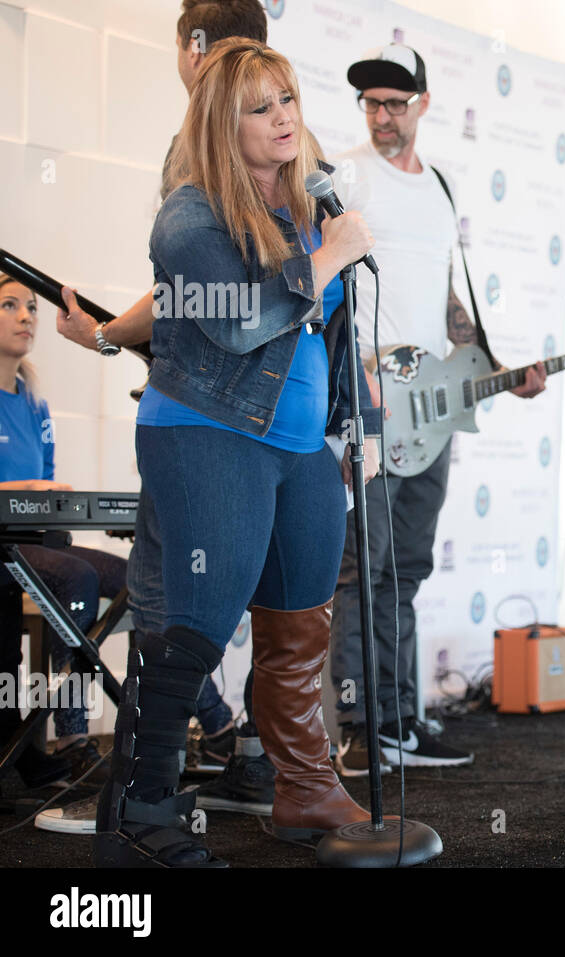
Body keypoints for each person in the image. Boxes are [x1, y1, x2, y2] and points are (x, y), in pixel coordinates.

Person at [94, 38, 383, 868]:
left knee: (300, 622)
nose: (284, 117)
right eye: (261, 107)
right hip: (208, 433)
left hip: (300, 443)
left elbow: (328, 332)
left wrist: (355, 417)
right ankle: (141, 815)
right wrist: (331, 255)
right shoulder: (189, 217)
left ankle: (303, 787)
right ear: (224, 124)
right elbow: (241, 321)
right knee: (193, 627)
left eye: (288, 99)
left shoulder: (306, 209)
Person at [53, 0, 276, 826]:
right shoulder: (271, 136)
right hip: (255, 415)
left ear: (192, 43)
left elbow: (202, 287)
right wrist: (112, 335)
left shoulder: (205, 139)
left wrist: (109, 335)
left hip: (206, 414)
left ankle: (140, 795)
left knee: (168, 597)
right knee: (252, 599)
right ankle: (229, 767)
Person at [327, 43, 546, 775]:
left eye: (396, 102)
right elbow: (329, 285)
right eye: (372, 103)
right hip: (374, 399)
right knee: (367, 566)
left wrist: (491, 363)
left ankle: (402, 719)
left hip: (432, 404)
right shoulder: (347, 175)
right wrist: (361, 375)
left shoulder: (443, 185)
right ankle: (362, 726)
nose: (383, 116)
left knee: (408, 567)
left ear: (423, 104)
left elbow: (446, 296)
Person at [0, 276, 125, 788]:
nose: (27, 316)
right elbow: (30, 485)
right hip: (5, 545)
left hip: (40, 540)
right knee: (72, 577)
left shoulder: (35, 404)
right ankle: (72, 737)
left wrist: (46, 494)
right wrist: (20, 487)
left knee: (138, 576)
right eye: (10, 305)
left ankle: (202, 724)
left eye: (31, 306)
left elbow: (47, 485)